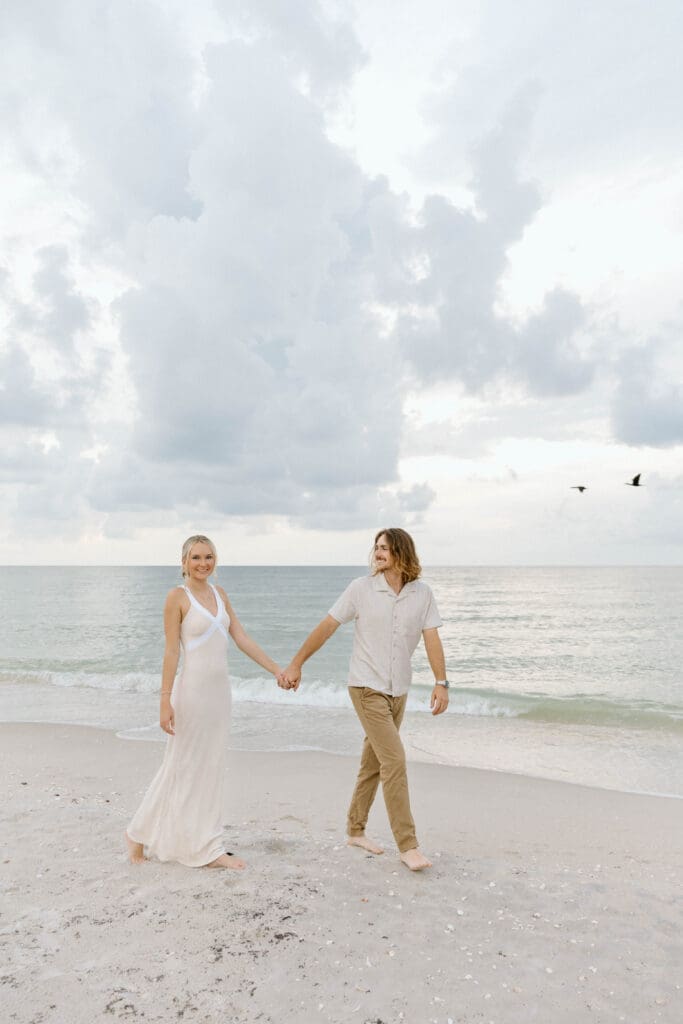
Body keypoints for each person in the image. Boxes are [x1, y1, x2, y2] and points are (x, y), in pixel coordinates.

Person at [281, 528, 449, 871]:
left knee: (374, 763)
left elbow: (431, 638)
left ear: (402, 552)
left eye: (385, 548)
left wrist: (441, 682)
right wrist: (297, 663)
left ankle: (355, 830)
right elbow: (327, 626)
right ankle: (408, 845)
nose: (378, 553)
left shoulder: (423, 594)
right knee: (395, 761)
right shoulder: (361, 589)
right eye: (376, 547)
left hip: (398, 690)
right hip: (365, 687)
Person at [125, 535, 284, 869]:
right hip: (191, 694)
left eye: (209, 557)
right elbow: (170, 651)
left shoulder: (220, 594)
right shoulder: (176, 598)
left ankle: (204, 842)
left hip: (219, 695)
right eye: (196, 557)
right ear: (184, 561)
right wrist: (164, 701)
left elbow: (240, 638)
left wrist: (276, 670)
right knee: (180, 765)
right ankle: (142, 834)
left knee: (210, 768)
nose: (203, 564)